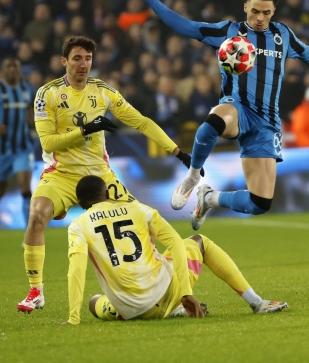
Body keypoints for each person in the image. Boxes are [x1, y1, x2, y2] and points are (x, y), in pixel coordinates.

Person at [134, 0, 309, 231]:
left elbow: (306, 51)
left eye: (266, 13)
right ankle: (192, 176)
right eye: (255, 11)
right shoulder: (229, 31)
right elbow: (187, 27)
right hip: (238, 107)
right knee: (212, 123)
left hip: (267, 122)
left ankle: (209, 198)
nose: (260, 18)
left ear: (273, 11)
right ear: (245, 7)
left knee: (261, 202)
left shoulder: (283, 35)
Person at [17, 36, 200, 313]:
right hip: (62, 174)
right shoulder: (48, 93)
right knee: (37, 213)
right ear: (64, 61)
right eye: (77, 58)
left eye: (88, 59)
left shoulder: (102, 91)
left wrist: (178, 152)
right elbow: (48, 143)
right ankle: (36, 291)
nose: (83, 64)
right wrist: (88, 129)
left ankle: (164, 292)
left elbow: (140, 121)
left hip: (100, 176)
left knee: (140, 225)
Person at [61, 175, 288, 324]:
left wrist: (73, 318)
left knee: (94, 302)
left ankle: (174, 307)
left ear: (80, 203)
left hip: (129, 311)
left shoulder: (78, 226)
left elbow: (76, 271)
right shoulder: (138, 209)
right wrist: (186, 292)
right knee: (199, 241)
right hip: (167, 292)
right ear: (108, 193)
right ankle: (256, 302)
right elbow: (176, 243)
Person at [0, 57, 34, 228]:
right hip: (1, 150)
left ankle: (30, 233)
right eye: (9, 66)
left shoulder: (26, 89)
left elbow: (30, 113)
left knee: (25, 188)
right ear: (3, 70)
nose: (13, 69)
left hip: (22, 148)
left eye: (16, 66)